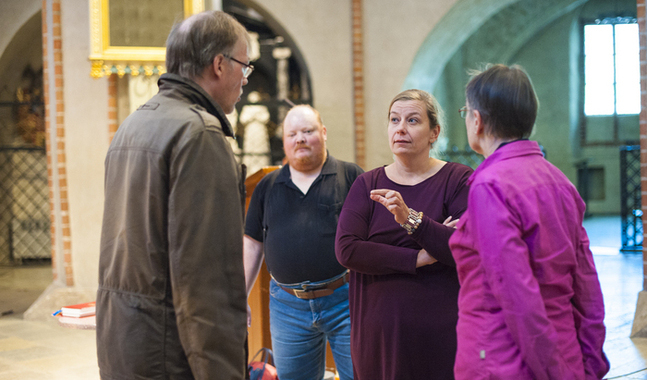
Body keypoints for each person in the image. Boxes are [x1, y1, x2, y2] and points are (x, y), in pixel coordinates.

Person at [97, 11, 252, 380]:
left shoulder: (134, 124)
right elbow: (205, 281)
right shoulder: (198, 134)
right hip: (171, 352)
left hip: (126, 342)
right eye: (244, 66)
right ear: (219, 64)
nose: (245, 79)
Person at [449, 64, 609, 380]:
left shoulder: (490, 185)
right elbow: (587, 283)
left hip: (505, 357)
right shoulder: (561, 181)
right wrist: (590, 361)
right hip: (563, 351)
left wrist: (551, 371)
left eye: (466, 112)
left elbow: (515, 291)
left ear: (477, 120)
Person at [335, 89, 473, 380]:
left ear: (434, 132)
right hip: (378, 338)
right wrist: (419, 257)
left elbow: (463, 248)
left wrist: (411, 220)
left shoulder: (458, 180)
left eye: (412, 120)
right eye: (394, 120)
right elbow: (348, 250)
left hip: (442, 335)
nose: (400, 128)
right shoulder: (367, 184)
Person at [244, 105, 363, 380]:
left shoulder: (351, 176)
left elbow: (371, 238)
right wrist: (242, 295)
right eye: (292, 134)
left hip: (345, 300)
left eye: (308, 131)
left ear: (323, 133)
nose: (300, 139)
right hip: (287, 306)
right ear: (284, 141)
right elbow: (252, 242)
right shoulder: (267, 185)